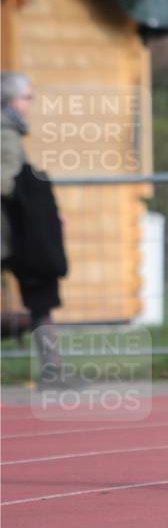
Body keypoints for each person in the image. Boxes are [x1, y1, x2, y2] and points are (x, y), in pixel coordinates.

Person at [1, 72, 68, 388]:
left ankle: (53, 369)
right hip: (10, 233)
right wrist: (40, 209)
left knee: (39, 298)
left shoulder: (10, 131)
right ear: (11, 100)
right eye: (27, 97)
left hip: (13, 231)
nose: (30, 103)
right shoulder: (5, 133)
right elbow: (6, 182)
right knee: (40, 297)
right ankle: (52, 369)